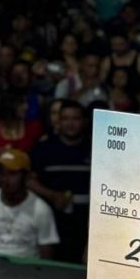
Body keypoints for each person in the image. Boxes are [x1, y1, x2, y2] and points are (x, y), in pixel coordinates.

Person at [29, 101, 91, 264]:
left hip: (89, 225)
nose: (70, 124)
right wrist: (52, 195)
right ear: (58, 122)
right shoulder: (44, 148)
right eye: (65, 119)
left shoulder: (95, 147)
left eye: (75, 119)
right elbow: (29, 180)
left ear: (84, 121)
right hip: (55, 224)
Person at [0, 148, 59, 259]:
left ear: (26, 177)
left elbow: (47, 257)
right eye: (2, 173)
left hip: (27, 268)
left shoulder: (41, 209)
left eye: (12, 174)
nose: (5, 179)